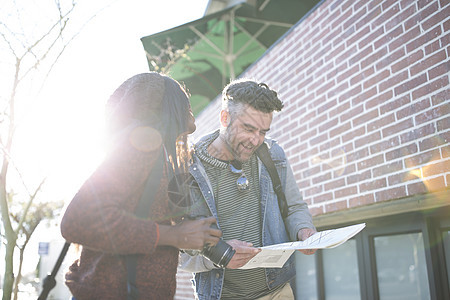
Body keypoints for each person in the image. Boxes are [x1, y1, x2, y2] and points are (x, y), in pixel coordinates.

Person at [60, 72, 222, 300]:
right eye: (182, 96)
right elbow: (77, 221)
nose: (189, 104)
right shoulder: (141, 145)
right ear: (164, 104)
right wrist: (172, 236)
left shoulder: (163, 156)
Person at [180, 79, 317, 299]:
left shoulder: (273, 155)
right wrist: (219, 254)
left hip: (277, 292)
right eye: (249, 128)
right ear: (225, 118)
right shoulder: (187, 170)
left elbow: (294, 207)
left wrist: (303, 229)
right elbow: (179, 251)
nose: (256, 140)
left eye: (263, 131)